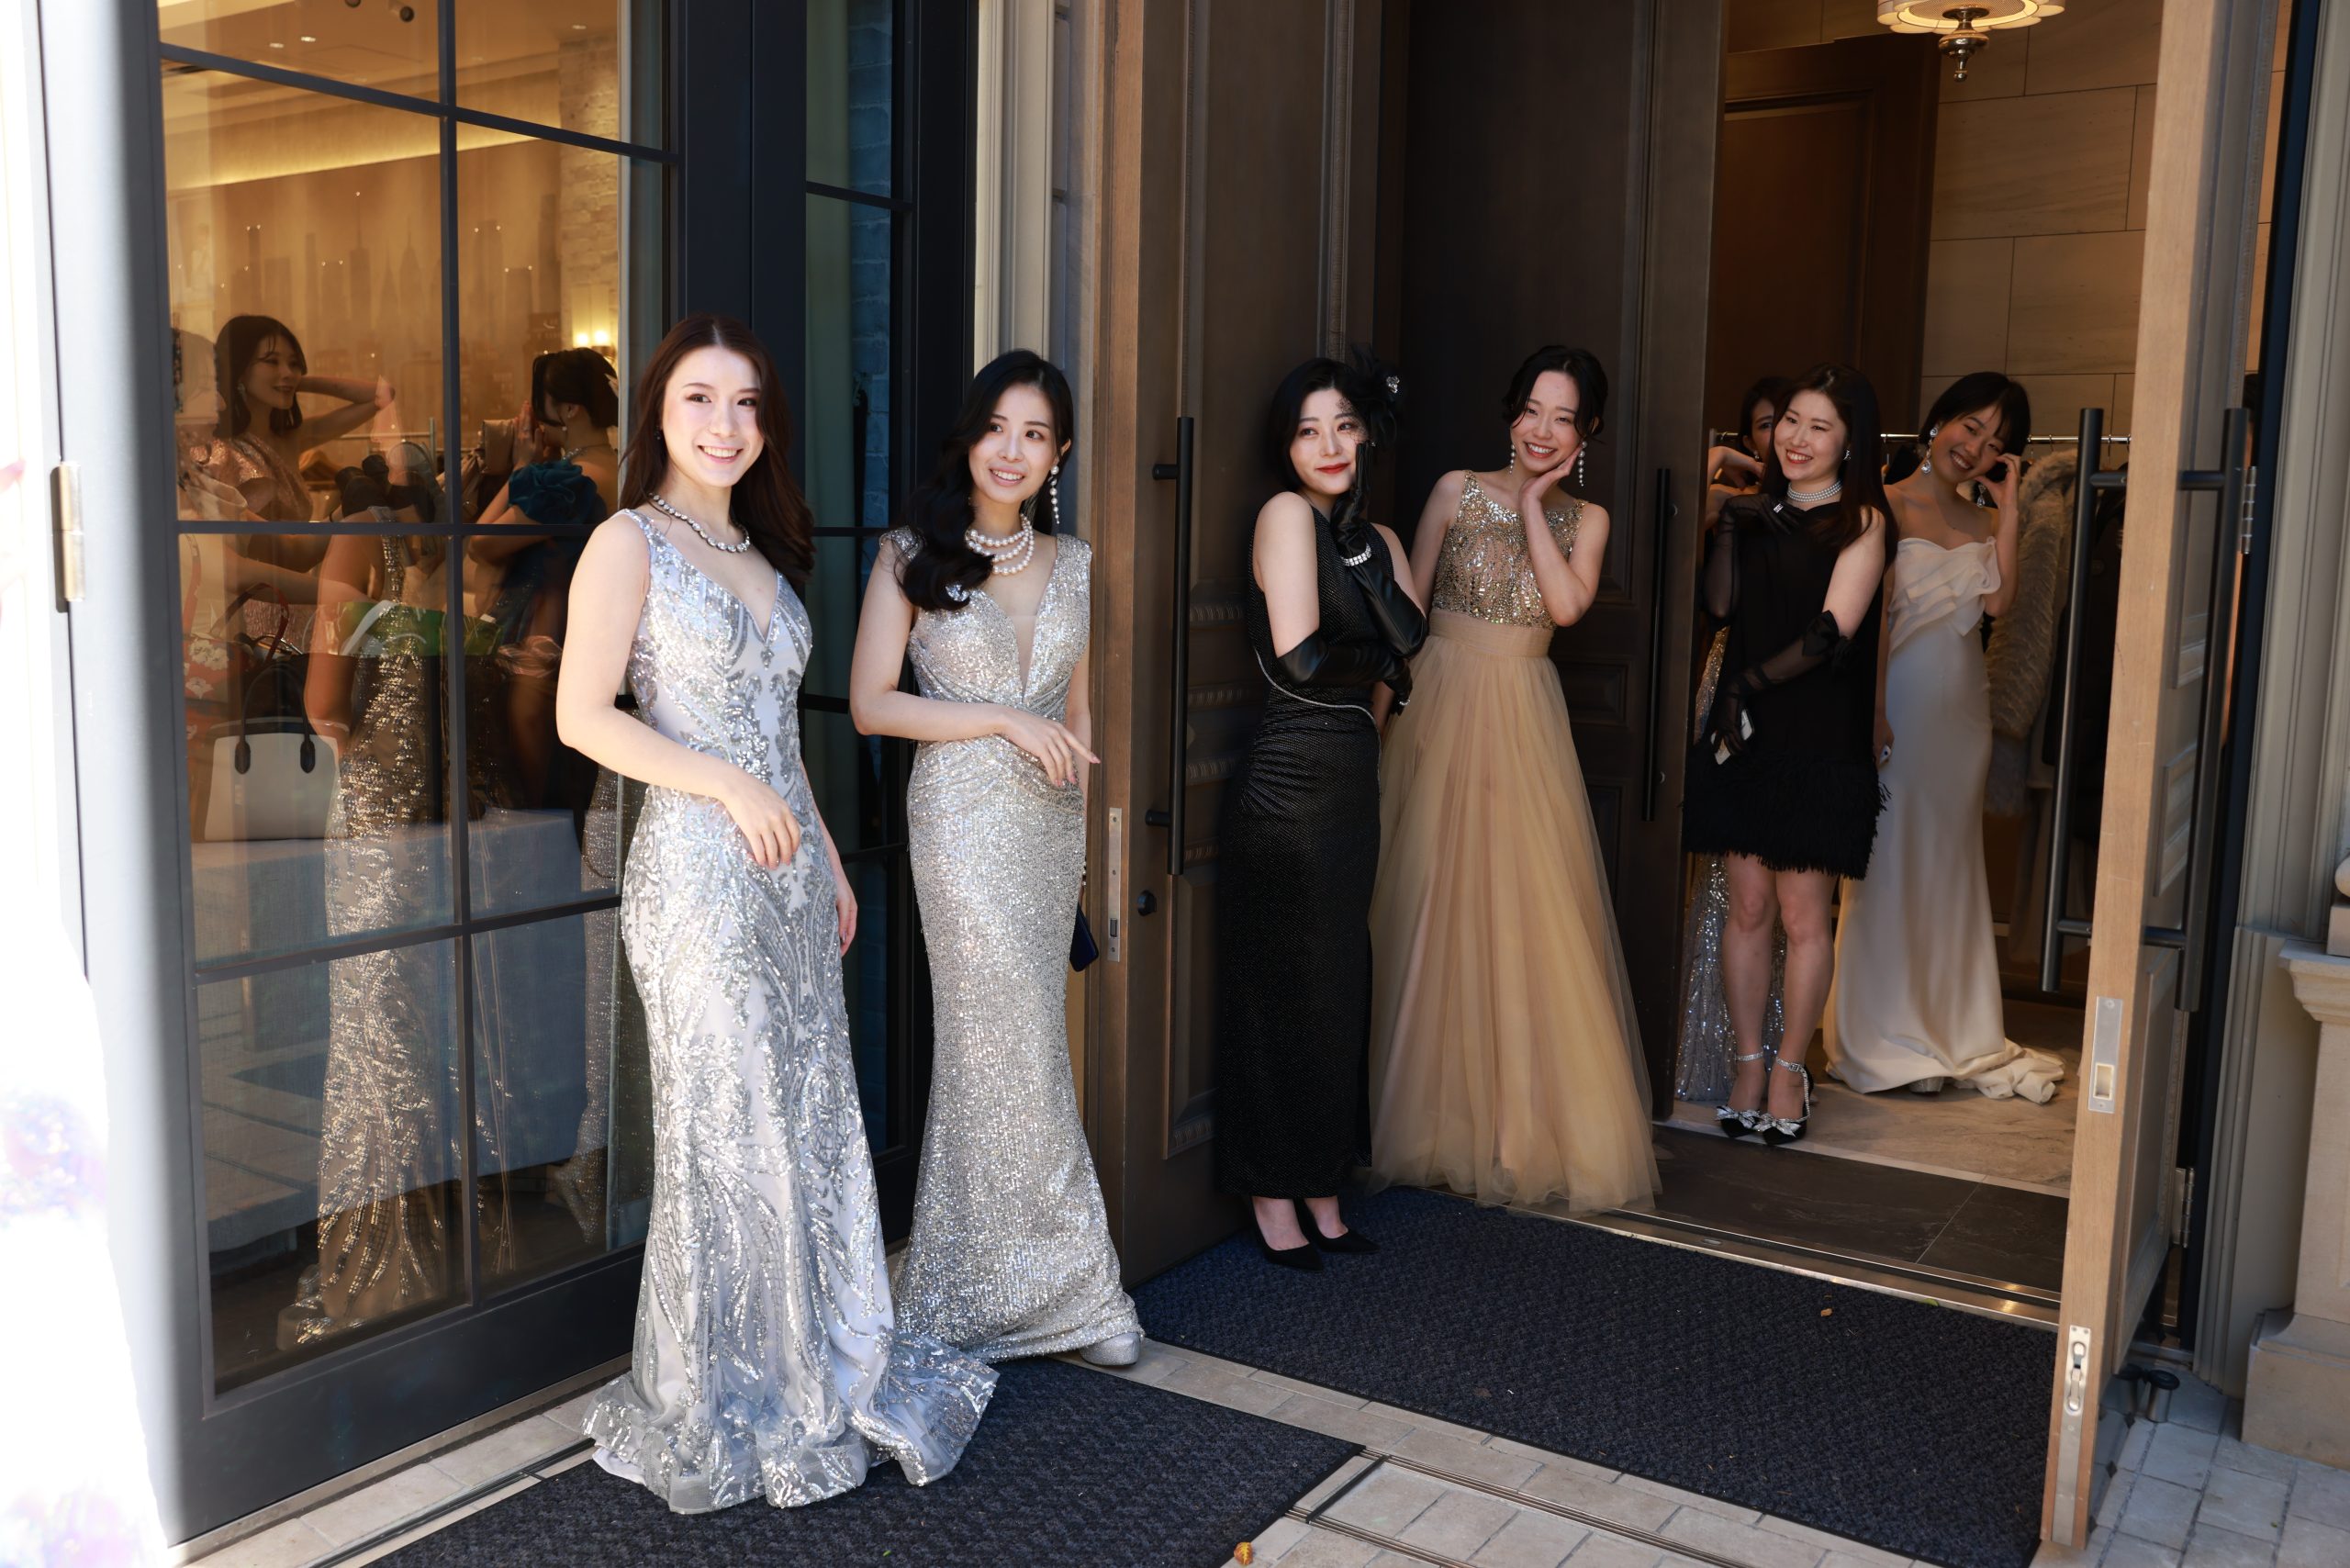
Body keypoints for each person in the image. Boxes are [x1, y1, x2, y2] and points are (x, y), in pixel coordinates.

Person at [554, 314, 992, 1511]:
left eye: (747, 403)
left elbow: (778, 734)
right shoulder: (627, 543)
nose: (725, 424)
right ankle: (724, 1386)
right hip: (698, 877)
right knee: (727, 1125)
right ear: (659, 411)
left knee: (804, 1114)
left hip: (789, 874)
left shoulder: (760, 551)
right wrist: (725, 784)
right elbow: (583, 717)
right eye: (699, 399)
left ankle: (815, 1355)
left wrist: (832, 863)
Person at [849, 350, 1142, 1366]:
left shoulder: (1077, 562)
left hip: (1048, 828)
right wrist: (1002, 722)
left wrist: (1080, 832)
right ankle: (1070, 1292)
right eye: (997, 428)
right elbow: (871, 704)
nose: (1012, 451)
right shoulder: (908, 554)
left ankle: (996, 1277)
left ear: (1059, 453)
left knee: (1021, 1043)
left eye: (1036, 435)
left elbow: (1078, 711)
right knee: (1003, 1043)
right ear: (969, 436)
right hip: (962, 823)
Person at [1368, 345, 1657, 1213]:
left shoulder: (1588, 518)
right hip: (1439, 704)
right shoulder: (1454, 490)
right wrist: (1373, 726)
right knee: (1428, 903)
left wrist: (1533, 503)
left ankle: (1513, 1131)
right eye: (1532, 410)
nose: (1541, 430)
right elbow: (1406, 618)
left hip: (1522, 717)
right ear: (1512, 411)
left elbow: (1565, 607)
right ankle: (1424, 1120)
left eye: (1563, 418)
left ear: (1586, 431)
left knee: (1518, 915)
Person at [1215, 357, 1427, 1268]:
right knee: (1283, 990)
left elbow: (1414, 638)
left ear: (1367, 432)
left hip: (1349, 783)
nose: (1330, 445)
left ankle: (1323, 1183)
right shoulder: (1283, 516)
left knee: (1338, 984)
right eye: (1308, 430)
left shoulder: (1375, 535)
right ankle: (1272, 1189)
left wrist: (1363, 557)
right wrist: (1377, 665)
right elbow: (1303, 660)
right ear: (1287, 447)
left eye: (1344, 425)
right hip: (1288, 784)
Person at [1824, 374, 2065, 1103]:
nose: (1976, 448)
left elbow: (2000, 602)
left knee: (1947, 871)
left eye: (1996, 443)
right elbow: (1873, 624)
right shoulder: (1882, 503)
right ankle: (1883, 1034)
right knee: (1883, 862)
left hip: (1964, 720)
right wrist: (1873, 714)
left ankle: (1945, 1027)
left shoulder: (1986, 519)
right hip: (1896, 706)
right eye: (1971, 427)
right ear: (1940, 420)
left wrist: (2010, 509)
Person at [1682, 364, 1889, 1146]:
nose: (1797, 439)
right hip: (1746, 731)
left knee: (1803, 917)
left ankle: (1789, 1070)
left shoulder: (1863, 520)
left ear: (1850, 442)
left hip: (1813, 734)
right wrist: (1732, 524)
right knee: (1748, 909)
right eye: (1790, 422)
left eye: (1819, 427)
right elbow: (1722, 606)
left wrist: (1743, 687)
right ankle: (1747, 1063)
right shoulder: (1758, 511)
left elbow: (1831, 633)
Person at [201, 313, 393, 523]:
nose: (288, 372)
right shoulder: (216, 450)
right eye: (272, 361)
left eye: (294, 364)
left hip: (305, 545)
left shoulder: (291, 439)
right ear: (240, 369)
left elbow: (382, 395)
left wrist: (297, 382)